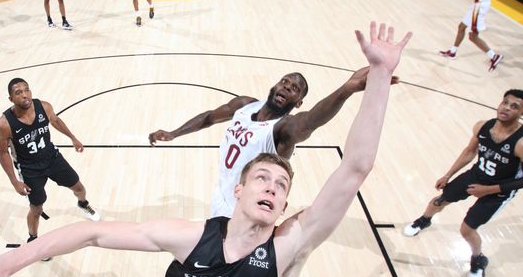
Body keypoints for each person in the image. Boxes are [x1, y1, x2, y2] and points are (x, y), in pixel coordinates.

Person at [0, 22, 411, 277]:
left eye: (280, 184)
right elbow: (93, 233)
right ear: (242, 188)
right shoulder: (237, 120)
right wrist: (13, 260)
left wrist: (365, 84)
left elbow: (353, 166)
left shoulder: (287, 241)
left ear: (284, 204)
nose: (272, 186)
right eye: (262, 177)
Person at [148, 66, 394, 218]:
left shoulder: (283, 129)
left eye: (295, 89)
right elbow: (209, 118)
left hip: (248, 211)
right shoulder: (244, 105)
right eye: (285, 82)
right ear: (275, 85)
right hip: (223, 195)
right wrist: (174, 133)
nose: (287, 87)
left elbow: (309, 122)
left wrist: (346, 89)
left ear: (297, 102)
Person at [403, 89, 523, 277]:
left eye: (514, 106)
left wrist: (487, 191)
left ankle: (478, 260)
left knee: (467, 230)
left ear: (521, 113)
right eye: (505, 103)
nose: (506, 108)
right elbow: (469, 152)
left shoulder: (520, 142)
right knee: (439, 200)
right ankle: (424, 220)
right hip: (476, 175)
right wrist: (448, 175)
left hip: (500, 190)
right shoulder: (483, 126)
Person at [0, 78, 100, 257]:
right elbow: (3, 153)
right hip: (29, 168)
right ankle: (33, 240)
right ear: (11, 99)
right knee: (36, 208)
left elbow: (56, 121)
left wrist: (73, 138)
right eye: (18, 92)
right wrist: (15, 182)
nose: (25, 95)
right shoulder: (5, 124)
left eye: (26, 90)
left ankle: (83, 204)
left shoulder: (44, 107)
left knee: (79, 187)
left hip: (52, 158)